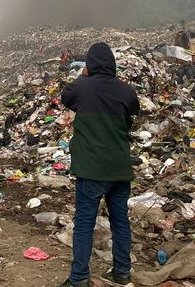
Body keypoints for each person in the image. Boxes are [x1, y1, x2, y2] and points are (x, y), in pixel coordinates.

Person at [59, 42, 139, 287]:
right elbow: (132, 112)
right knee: (120, 221)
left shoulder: (82, 87)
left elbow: (66, 98)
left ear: (90, 65)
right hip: (119, 168)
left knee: (84, 223)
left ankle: (80, 278)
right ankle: (122, 272)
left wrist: (84, 74)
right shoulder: (126, 91)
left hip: (92, 168)